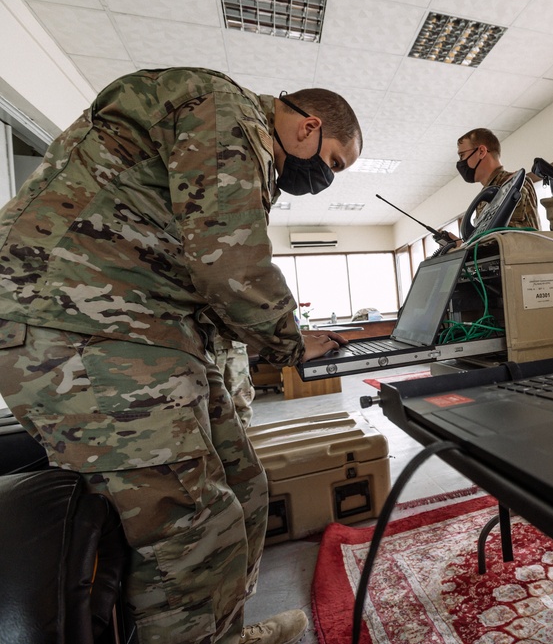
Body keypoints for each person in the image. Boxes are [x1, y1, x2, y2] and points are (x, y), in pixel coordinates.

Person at [0, 67, 361, 644]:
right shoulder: (225, 111)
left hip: (143, 325)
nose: (325, 177)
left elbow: (199, 265)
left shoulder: (239, 135)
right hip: (79, 322)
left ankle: (223, 632)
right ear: (309, 128)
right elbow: (229, 262)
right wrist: (293, 342)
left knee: (244, 489)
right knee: (188, 526)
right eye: (334, 162)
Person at [456, 127, 539, 231]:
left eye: (462, 155)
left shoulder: (513, 185)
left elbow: (511, 237)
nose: (460, 162)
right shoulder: (485, 196)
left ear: (481, 151)